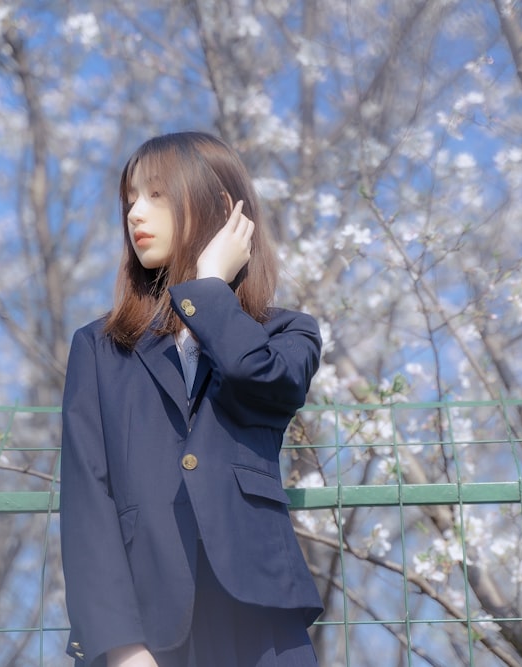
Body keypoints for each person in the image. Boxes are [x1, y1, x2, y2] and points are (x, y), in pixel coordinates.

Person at [59, 131, 324, 667]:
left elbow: (265, 383)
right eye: (130, 197)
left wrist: (209, 288)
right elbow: (88, 500)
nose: (136, 212)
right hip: (150, 627)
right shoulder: (99, 348)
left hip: (263, 620)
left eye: (156, 194)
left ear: (223, 208)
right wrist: (121, 647)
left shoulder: (286, 334)